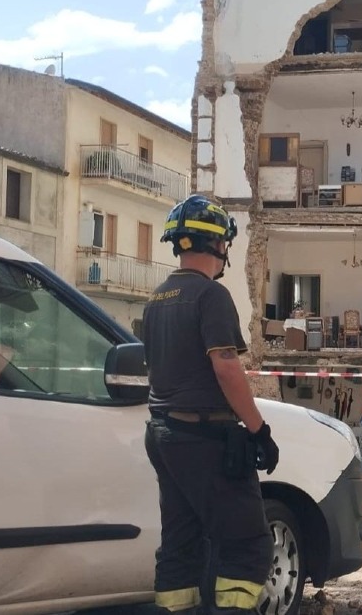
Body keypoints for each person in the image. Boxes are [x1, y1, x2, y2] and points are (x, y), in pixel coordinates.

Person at [142, 194, 280, 614]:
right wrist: (258, 429)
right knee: (247, 544)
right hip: (203, 436)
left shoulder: (156, 299)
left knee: (181, 545)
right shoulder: (210, 296)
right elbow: (225, 366)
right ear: (220, 245)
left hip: (164, 433)